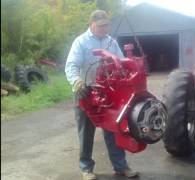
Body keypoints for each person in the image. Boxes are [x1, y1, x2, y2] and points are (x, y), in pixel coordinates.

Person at [65, 10, 139, 180]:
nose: (105, 28)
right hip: (86, 90)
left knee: (114, 129)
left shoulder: (111, 42)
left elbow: (121, 63)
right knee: (86, 132)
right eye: (101, 26)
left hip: (108, 91)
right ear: (91, 24)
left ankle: (120, 167)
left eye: (107, 25)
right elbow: (71, 66)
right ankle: (86, 168)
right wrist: (76, 81)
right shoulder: (81, 42)